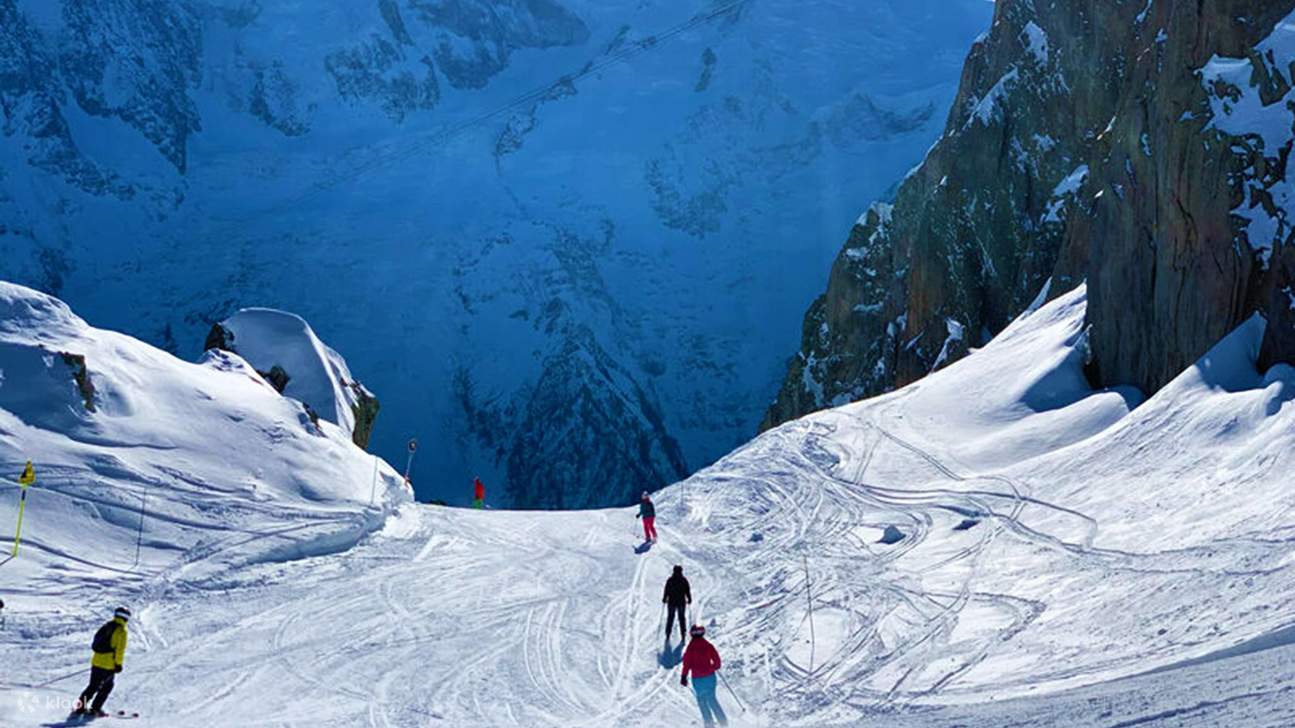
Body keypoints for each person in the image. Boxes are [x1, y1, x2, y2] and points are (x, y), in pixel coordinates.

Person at [75, 606, 130, 717]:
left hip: (96, 662)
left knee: (92, 686)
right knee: (106, 687)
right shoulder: (121, 631)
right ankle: (95, 709)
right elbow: (120, 650)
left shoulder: (107, 626)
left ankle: (80, 707)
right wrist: (118, 664)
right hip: (108, 665)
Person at [680, 624, 727, 727]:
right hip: (710, 677)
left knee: (702, 700)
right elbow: (717, 662)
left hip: (697, 679)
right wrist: (712, 667)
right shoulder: (708, 645)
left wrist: (684, 677)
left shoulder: (690, 649)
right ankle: (723, 722)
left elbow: (686, 664)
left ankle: (709, 724)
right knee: (712, 699)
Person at [662, 565, 691, 641]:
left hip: (672, 602)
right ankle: (683, 634)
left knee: (670, 618)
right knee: (681, 618)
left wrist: (665, 598)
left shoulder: (670, 580)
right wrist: (689, 598)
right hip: (681, 602)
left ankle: (668, 634)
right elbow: (687, 590)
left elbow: (666, 590)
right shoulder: (684, 580)